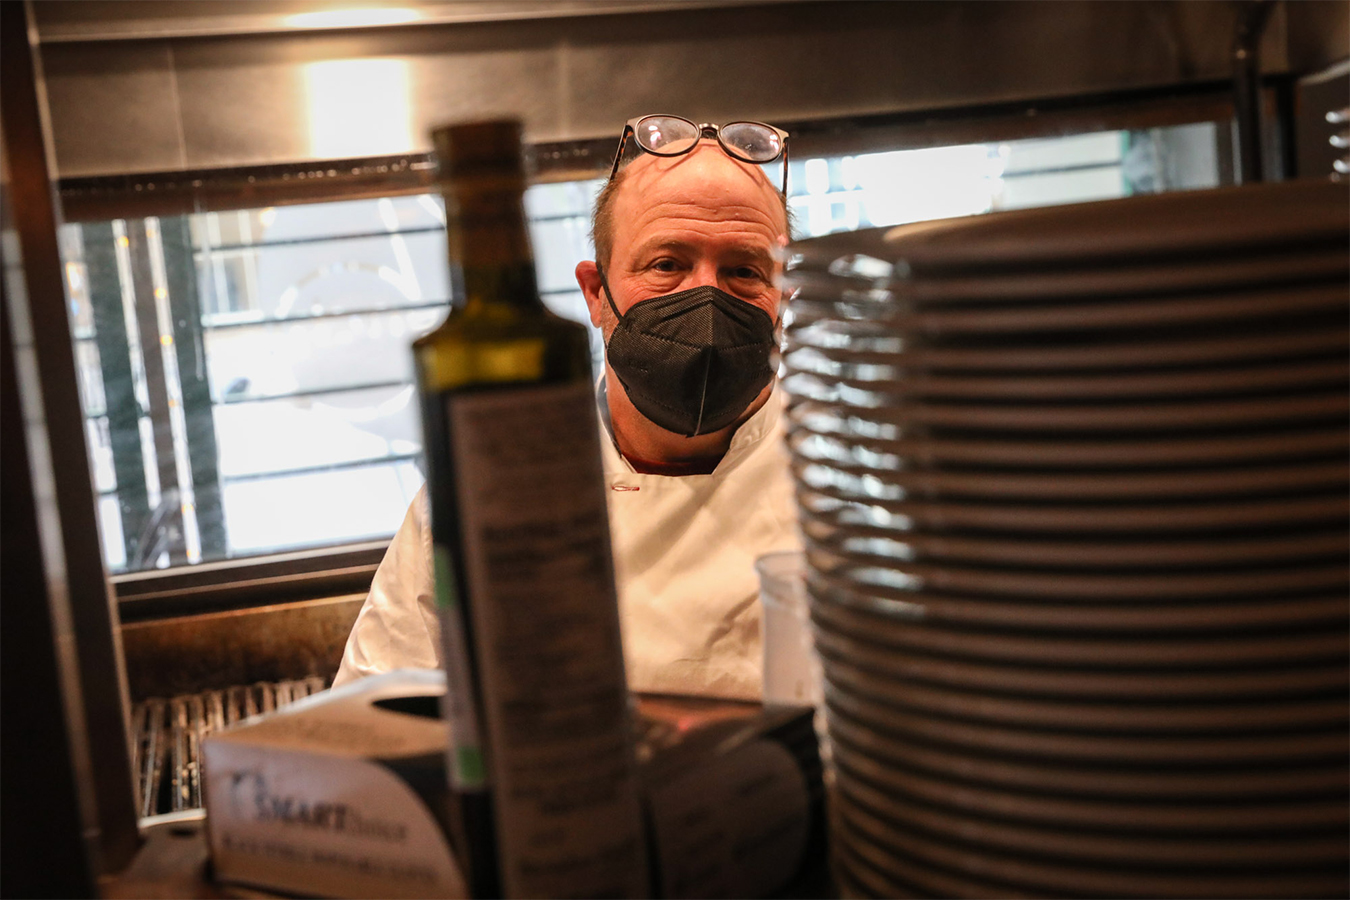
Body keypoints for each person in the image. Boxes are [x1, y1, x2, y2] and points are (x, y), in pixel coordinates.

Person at [334, 116, 801, 699]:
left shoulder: (859, 481)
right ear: (595, 293)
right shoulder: (492, 482)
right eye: (666, 265)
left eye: (743, 271)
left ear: (783, 298)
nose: (704, 297)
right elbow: (375, 721)